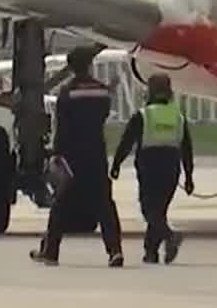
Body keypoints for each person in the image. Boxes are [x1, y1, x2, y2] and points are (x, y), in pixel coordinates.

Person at [30, 45, 125, 267]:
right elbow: (101, 116)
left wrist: (57, 153)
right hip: (96, 152)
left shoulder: (67, 91)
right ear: (89, 65)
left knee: (61, 204)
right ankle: (115, 250)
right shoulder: (102, 91)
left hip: (73, 155)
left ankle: (51, 251)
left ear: (71, 67)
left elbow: (62, 125)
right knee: (105, 204)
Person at [110, 73, 195, 265]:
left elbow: (126, 142)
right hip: (172, 166)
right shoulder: (178, 118)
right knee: (159, 210)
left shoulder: (143, 115)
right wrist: (189, 176)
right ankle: (151, 252)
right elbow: (187, 148)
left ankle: (169, 236)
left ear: (150, 90)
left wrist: (116, 164)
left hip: (150, 166)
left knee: (149, 209)